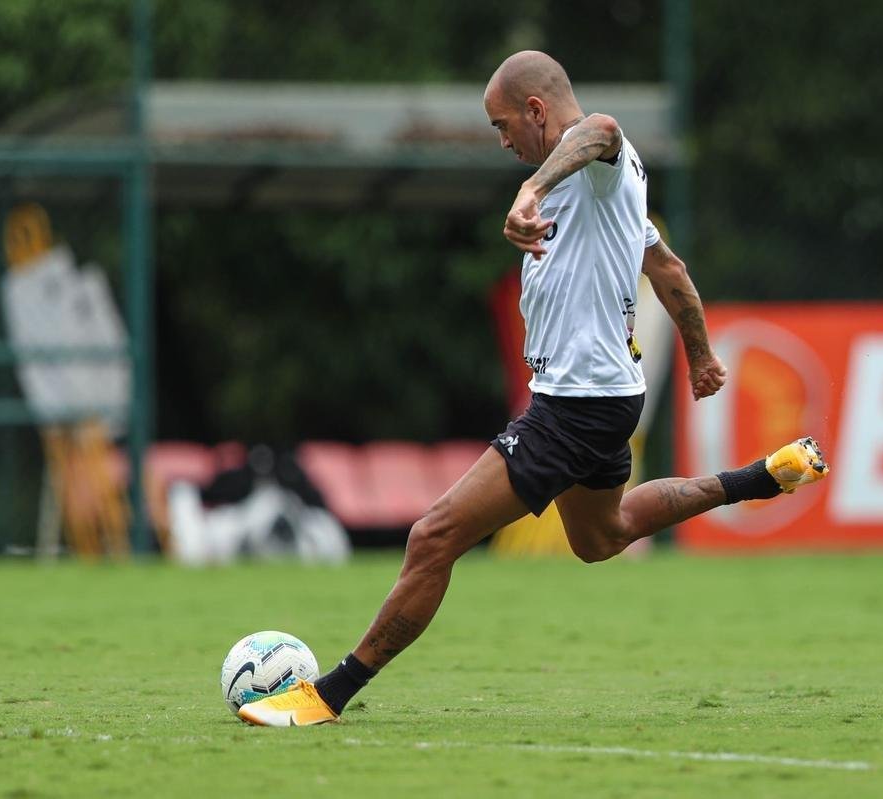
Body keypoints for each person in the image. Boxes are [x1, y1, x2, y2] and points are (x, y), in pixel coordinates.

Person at [237, 50, 828, 727]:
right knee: (603, 536)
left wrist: (531, 190)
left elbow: (601, 127)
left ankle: (326, 695)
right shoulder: (613, 189)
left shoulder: (600, 163)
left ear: (538, 111)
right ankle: (760, 477)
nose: (503, 141)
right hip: (604, 397)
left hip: (576, 405)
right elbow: (669, 269)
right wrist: (699, 354)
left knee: (433, 536)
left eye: (503, 125)